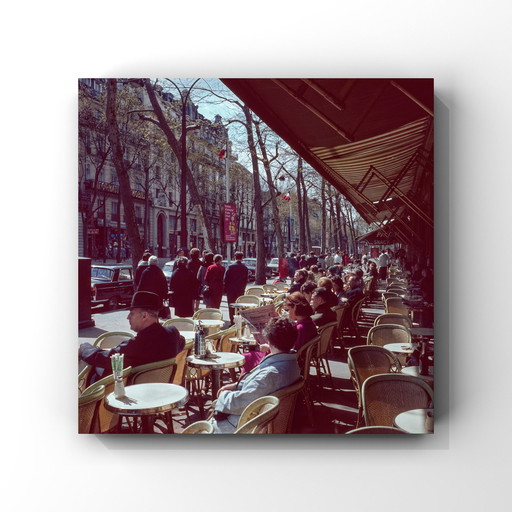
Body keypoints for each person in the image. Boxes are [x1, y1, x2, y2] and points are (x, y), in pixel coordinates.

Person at [211, 317, 301, 434]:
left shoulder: (270, 374)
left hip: (243, 425)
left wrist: (223, 395)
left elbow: (240, 403)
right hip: (266, 420)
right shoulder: (292, 364)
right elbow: (258, 388)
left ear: (269, 341)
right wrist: (236, 385)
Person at [79, 291, 185, 385]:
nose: (128, 317)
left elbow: (102, 358)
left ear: (144, 316)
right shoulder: (173, 332)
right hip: (162, 391)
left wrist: (84, 347)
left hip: (135, 394)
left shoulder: (137, 345)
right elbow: (182, 342)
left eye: (132, 313)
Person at [224, 251, 249, 324]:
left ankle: (232, 321)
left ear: (235, 257)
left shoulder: (230, 267)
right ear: (242, 258)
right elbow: (245, 280)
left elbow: (225, 279)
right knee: (239, 306)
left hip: (230, 290)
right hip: (240, 289)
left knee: (231, 306)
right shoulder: (244, 268)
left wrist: (226, 289)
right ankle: (238, 321)